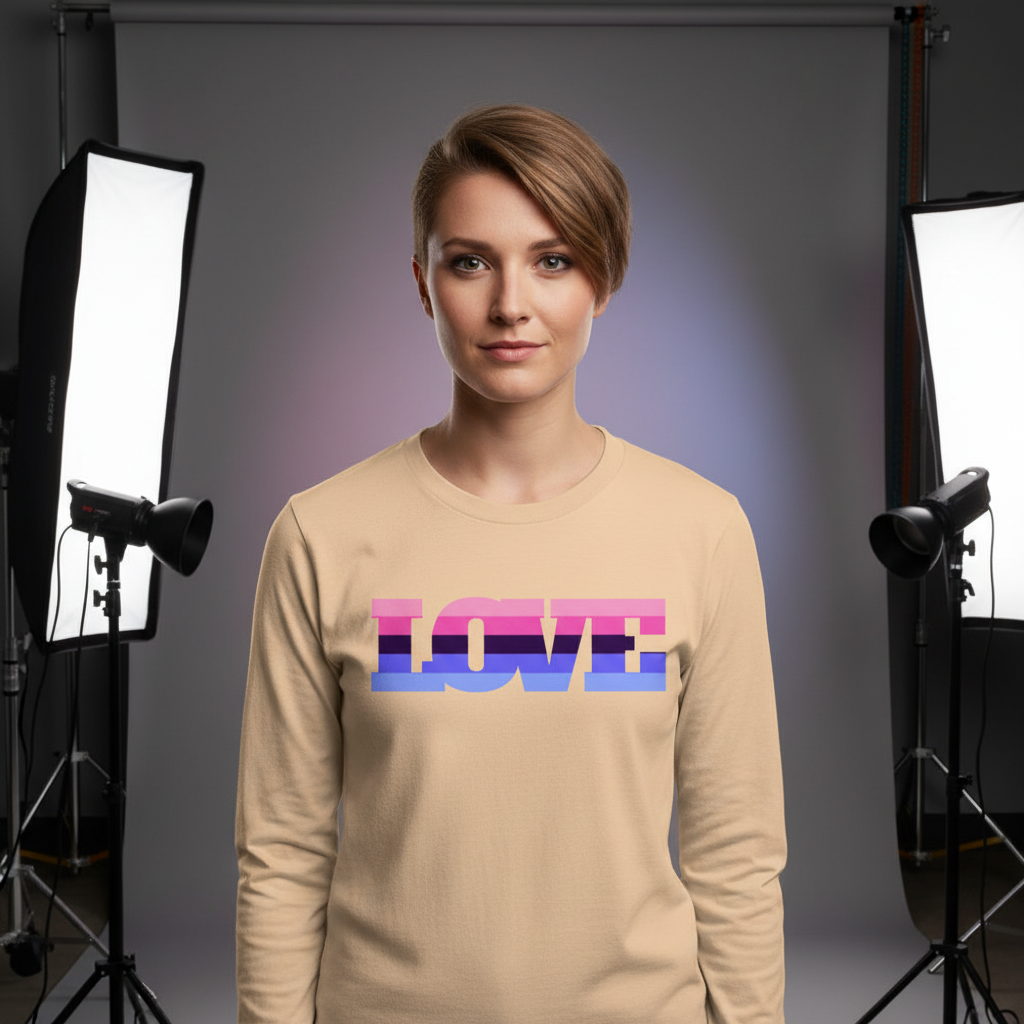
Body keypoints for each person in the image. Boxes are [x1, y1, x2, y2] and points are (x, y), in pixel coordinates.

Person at [236, 104, 786, 1024]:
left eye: (553, 259)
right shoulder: (319, 536)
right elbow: (282, 856)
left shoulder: (704, 531)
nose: (510, 305)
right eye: (470, 261)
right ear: (423, 283)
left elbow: (737, 854)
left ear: (601, 283)